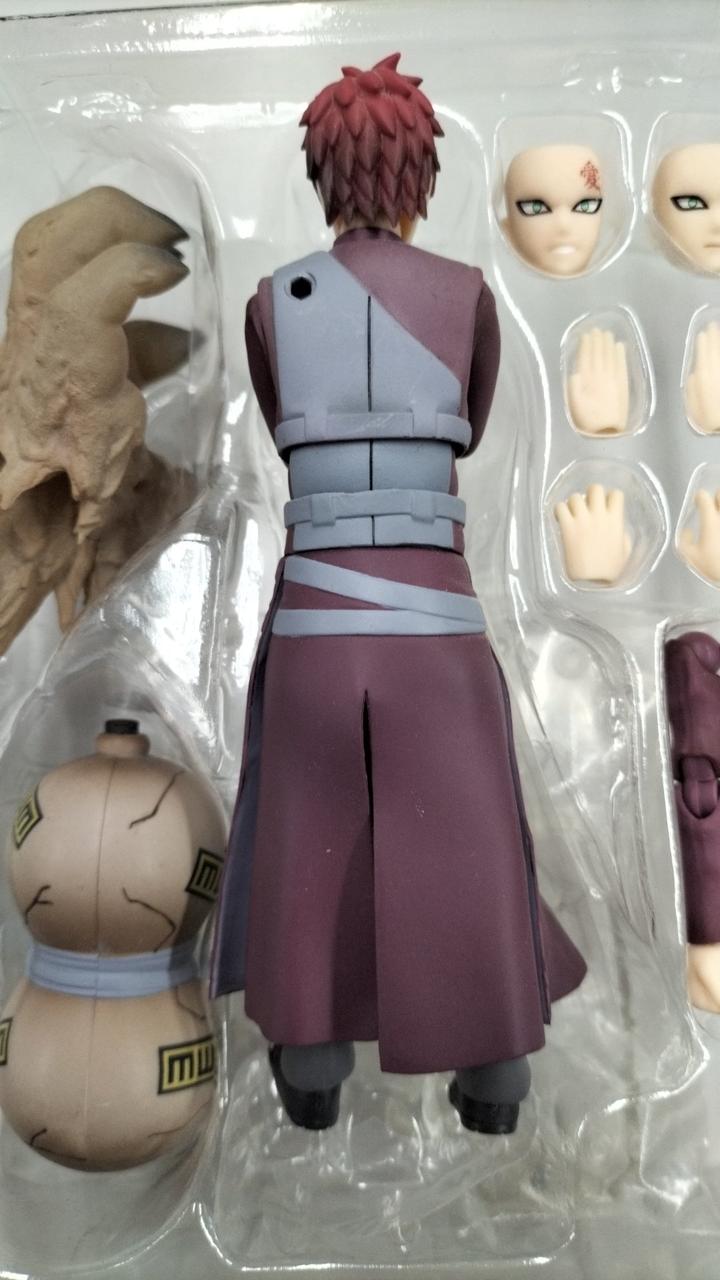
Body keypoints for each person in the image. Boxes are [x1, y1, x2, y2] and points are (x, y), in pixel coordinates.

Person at [210, 52, 586, 1134]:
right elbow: (469, 418)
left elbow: (282, 421)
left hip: (319, 624)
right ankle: (495, 1072)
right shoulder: (465, 296)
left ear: (321, 176)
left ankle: (311, 1060)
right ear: (421, 174)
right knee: (469, 835)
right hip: (435, 623)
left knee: (306, 833)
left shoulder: (274, 302)